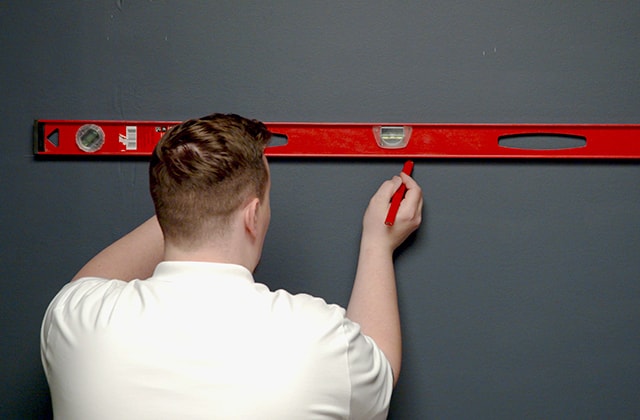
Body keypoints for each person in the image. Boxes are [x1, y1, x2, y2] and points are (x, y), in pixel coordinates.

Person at [40, 113, 423, 419]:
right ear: (252, 216)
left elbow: (92, 277)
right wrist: (378, 243)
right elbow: (381, 371)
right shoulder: (320, 338)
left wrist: (186, 196)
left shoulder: (77, 320)